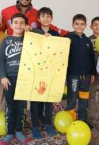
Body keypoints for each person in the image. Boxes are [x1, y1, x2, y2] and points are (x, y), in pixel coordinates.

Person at [0, 13, 30, 144]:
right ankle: (10, 132)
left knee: (21, 106)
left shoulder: (29, 39)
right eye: (15, 22)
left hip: (24, 78)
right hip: (9, 78)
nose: (18, 25)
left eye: (22, 23)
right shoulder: (6, 40)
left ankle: (19, 130)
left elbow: (41, 36)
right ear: (11, 25)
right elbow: (1, 60)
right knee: (10, 106)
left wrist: (32, 31)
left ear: (25, 25)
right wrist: (3, 76)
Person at [30, 7, 58, 139]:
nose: (46, 18)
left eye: (48, 16)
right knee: (35, 100)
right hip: (36, 70)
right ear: (39, 18)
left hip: (51, 71)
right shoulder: (33, 32)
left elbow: (60, 52)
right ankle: (35, 126)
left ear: (51, 18)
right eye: (43, 16)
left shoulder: (56, 34)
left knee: (49, 100)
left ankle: (48, 124)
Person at [1, 0, 67, 36]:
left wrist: (71, 34)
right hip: (13, 50)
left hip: (32, 50)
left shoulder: (37, 14)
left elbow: (51, 27)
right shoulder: (5, 12)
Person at [65, 14, 96, 126]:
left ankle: (83, 119)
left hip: (86, 76)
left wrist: (92, 73)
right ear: (73, 25)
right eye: (77, 24)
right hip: (73, 75)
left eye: (82, 24)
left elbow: (91, 57)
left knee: (84, 98)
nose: (79, 26)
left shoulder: (87, 40)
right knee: (72, 98)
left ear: (86, 25)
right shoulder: (67, 38)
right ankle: (70, 121)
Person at [88, 16, 99, 123]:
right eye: (95, 25)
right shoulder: (88, 39)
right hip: (92, 70)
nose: (98, 27)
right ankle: (89, 114)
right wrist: (90, 72)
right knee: (91, 93)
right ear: (91, 27)